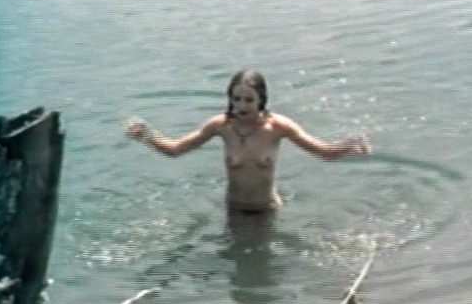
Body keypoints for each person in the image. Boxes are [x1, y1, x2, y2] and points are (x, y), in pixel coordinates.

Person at [126, 69, 372, 212]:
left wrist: (349, 145)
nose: (241, 106)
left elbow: (322, 152)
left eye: (248, 100)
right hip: (234, 210)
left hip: (267, 210)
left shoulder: (278, 126)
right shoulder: (221, 126)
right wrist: (146, 135)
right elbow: (175, 149)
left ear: (261, 99)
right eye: (236, 99)